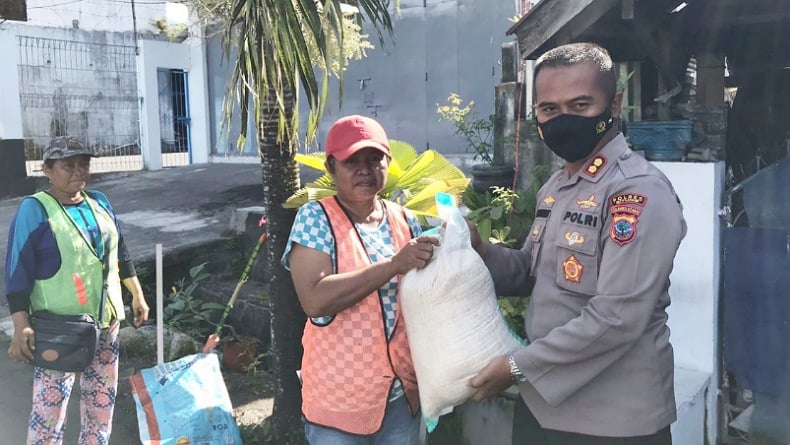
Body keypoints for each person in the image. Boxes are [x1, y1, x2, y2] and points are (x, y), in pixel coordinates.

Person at [467, 42, 687, 444]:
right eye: (549, 109)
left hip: (611, 421)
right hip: (542, 405)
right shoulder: (558, 185)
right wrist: (477, 251)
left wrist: (516, 367)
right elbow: (534, 272)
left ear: (613, 105)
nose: (562, 119)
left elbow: (617, 317)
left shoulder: (635, 192)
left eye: (580, 105)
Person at [282, 115, 439, 444]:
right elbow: (315, 300)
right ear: (331, 167)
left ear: (388, 162)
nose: (365, 170)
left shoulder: (405, 219)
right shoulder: (316, 218)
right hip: (338, 402)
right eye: (352, 161)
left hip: (400, 396)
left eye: (374, 159)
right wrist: (394, 265)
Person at [5, 136, 149, 444]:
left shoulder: (100, 202)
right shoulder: (35, 210)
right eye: (67, 165)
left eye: (83, 164)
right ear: (47, 170)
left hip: (106, 323)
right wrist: (21, 325)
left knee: (101, 405)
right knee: (49, 413)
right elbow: (17, 270)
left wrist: (136, 293)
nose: (78, 171)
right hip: (59, 329)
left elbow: (120, 251)